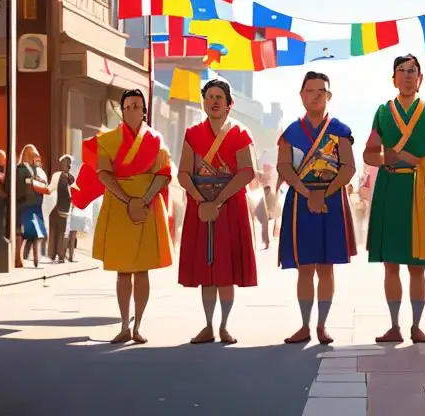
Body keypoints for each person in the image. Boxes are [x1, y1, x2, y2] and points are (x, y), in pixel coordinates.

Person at [364, 54, 425, 344]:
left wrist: (419, 161)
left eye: (412, 71)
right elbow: (369, 154)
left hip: (419, 189)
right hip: (389, 187)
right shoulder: (383, 112)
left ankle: (416, 326)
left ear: (420, 78)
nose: (407, 75)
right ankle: (394, 326)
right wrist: (389, 157)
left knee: (418, 265)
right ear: (393, 78)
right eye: (401, 71)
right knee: (390, 263)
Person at [71, 89, 173, 344]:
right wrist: (128, 200)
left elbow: (163, 172)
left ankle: (138, 326)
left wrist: (145, 199)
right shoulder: (109, 140)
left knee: (142, 270)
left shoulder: (156, 139)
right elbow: (103, 172)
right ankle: (124, 324)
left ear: (144, 110)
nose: (132, 110)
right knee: (123, 271)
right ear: (121, 110)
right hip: (119, 203)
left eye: (137, 106)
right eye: (127, 106)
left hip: (148, 204)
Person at [176, 79, 258, 345]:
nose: (213, 101)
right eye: (209, 96)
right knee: (206, 270)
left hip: (230, 205)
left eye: (219, 97)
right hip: (201, 205)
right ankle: (208, 325)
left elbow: (247, 172)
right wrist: (201, 200)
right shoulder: (192, 134)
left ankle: (224, 325)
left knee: (226, 269)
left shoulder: (240, 134)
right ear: (204, 101)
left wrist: (219, 200)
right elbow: (184, 173)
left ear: (229, 103)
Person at [278, 71, 357, 345]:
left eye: (321, 91)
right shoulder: (291, 132)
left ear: (329, 96)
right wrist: (308, 194)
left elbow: (348, 168)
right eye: (310, 91)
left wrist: (324, 194)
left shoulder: (340, 130)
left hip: (332, 200)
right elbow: (284, 167)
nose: (315, 95)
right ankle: (303, 325)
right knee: (305, 266)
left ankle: (322, 325)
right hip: (301, 201)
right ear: (301, 96)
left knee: (326, 266)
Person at [16, 145, 49, 269]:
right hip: (25, 205)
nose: (36, 157)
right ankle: (18, 259)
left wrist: (38, 182)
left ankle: (35, 258)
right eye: (34, 155)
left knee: (36, 234)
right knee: (23, 234)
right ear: (27, 154)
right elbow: (22, 184)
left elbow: (38, 180)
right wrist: (32, 182)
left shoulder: (34, 168)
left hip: (35, 204)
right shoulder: (20, 168)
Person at [47, 155, 74, 263]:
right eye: (63, 163)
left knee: (62, 231)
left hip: (65, 208)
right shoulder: (57, 176)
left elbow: (73, 192)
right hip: (57, 206)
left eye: (67, 163)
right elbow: (51, 188)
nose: (66, 165)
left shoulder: (71, 178)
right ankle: (53, 254)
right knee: (54, 227)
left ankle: (61, 256)